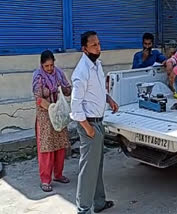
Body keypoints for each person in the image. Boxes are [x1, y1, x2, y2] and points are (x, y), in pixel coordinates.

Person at [70, 31, 119, 214]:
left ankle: (99, 203)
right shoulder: (81, 72)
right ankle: (83, 209)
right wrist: (88, 129)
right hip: (89, 124)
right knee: (87, 170)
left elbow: (97, 90)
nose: (99, 48)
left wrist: (108, 99)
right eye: (94, 45)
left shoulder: (96, 65)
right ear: (84, 49)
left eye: (99, 44)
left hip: (98, 122)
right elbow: (75, 106)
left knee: (97, 166)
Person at [32, 50, 71, 192]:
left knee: (60, 147)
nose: (49, 69)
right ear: (42, 65)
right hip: (45, 117)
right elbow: (38, 98)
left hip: (58, 114)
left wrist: (66, 88)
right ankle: (45, 180)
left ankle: (58, 174)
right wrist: (51, 108)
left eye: (51, 65)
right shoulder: (38, 77)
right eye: (46, 66)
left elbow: (67, 91)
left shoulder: (59, 74)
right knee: (47, 149)